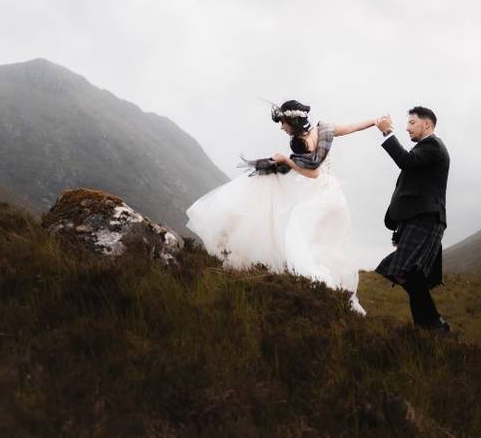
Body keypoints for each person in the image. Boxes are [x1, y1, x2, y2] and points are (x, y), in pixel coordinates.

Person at [186, 100, 376, 314]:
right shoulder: (324, 130)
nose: (281, 127)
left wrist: (286, 159)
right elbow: (350, 128)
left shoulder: (299, 143)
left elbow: (312, 172)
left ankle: (311, 281)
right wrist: (374, 122)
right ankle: (324, 288)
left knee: (292, 231)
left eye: (283, 122)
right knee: (317, 241)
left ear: (294, 122)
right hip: (330, 194)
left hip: (313, 195)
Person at [374, 107, 451, 333]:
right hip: (417, 219)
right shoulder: (424, 150)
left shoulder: (433, 146)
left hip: (428, 219)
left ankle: (434, 325)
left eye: (411, 122)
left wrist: (387, 133)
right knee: (402, 271)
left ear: (426, 125)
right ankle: (427, 326)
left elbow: (405, 161)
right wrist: (399, 230)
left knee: (407, 271)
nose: (407, 127)